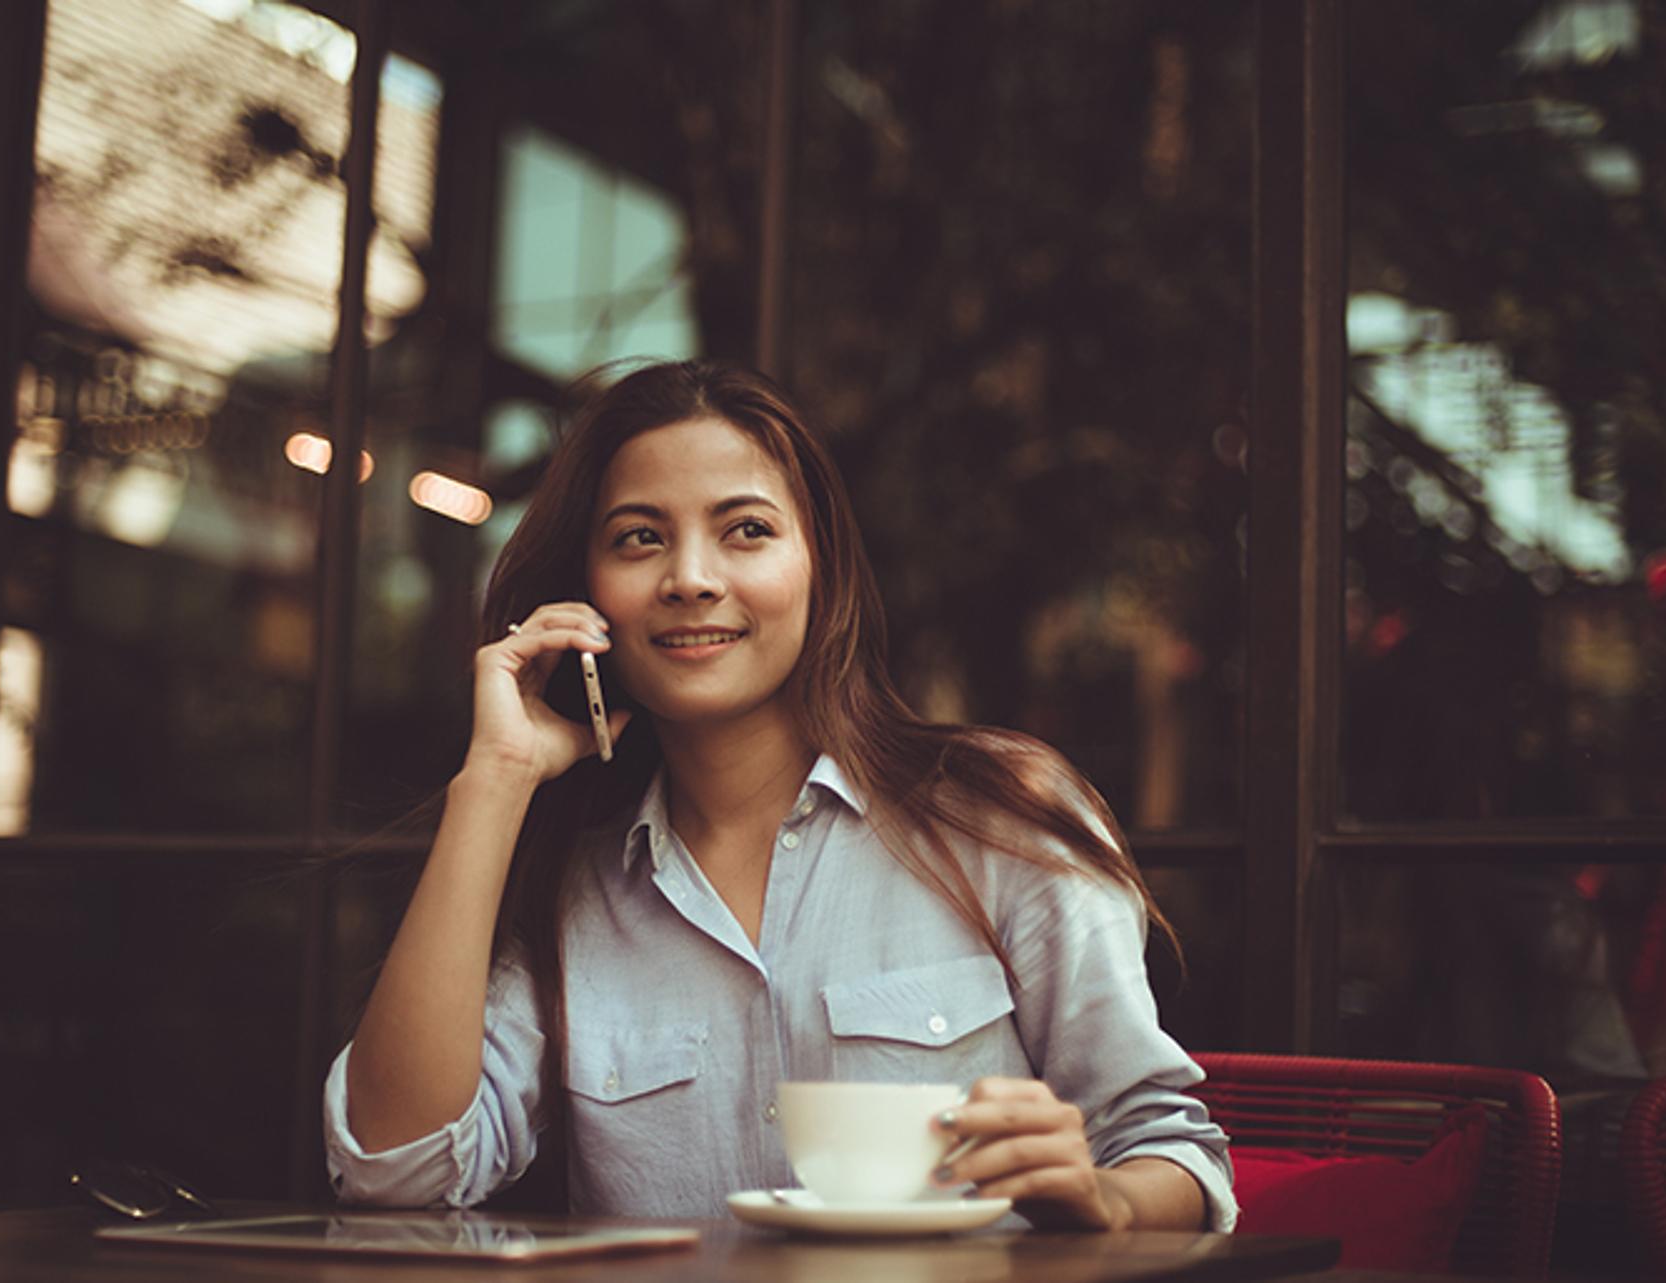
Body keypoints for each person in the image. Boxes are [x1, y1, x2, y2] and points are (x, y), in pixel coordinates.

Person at [324, 359, 1236, 1231]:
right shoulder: (572, 890)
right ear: (589, 594)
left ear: (820, 568)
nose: (689, 577)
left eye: (746, 530)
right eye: (640, 537)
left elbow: (1172, 1152)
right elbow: (392, 1169)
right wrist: (494, 781)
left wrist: (1103, 1198)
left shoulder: (996, 815)